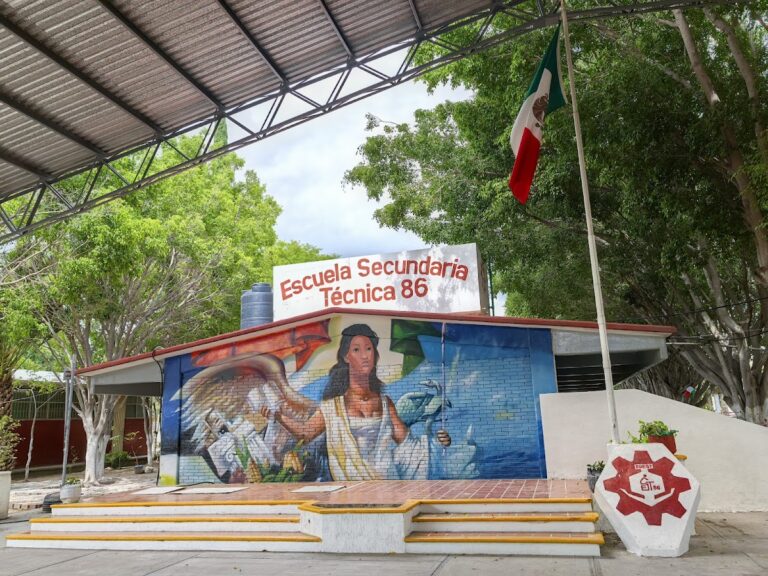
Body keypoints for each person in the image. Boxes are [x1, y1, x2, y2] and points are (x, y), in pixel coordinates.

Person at [262, 323, 449, 480]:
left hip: (387, 484)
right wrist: (278, 416)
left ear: (375, 355)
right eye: (357, 350)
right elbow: (305, 433)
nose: (365, 355)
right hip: (351, 489)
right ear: (346, 357)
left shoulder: (385, 403)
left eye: (369, 349)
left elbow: (409, 445)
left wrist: (436, 443)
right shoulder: (332, 408)